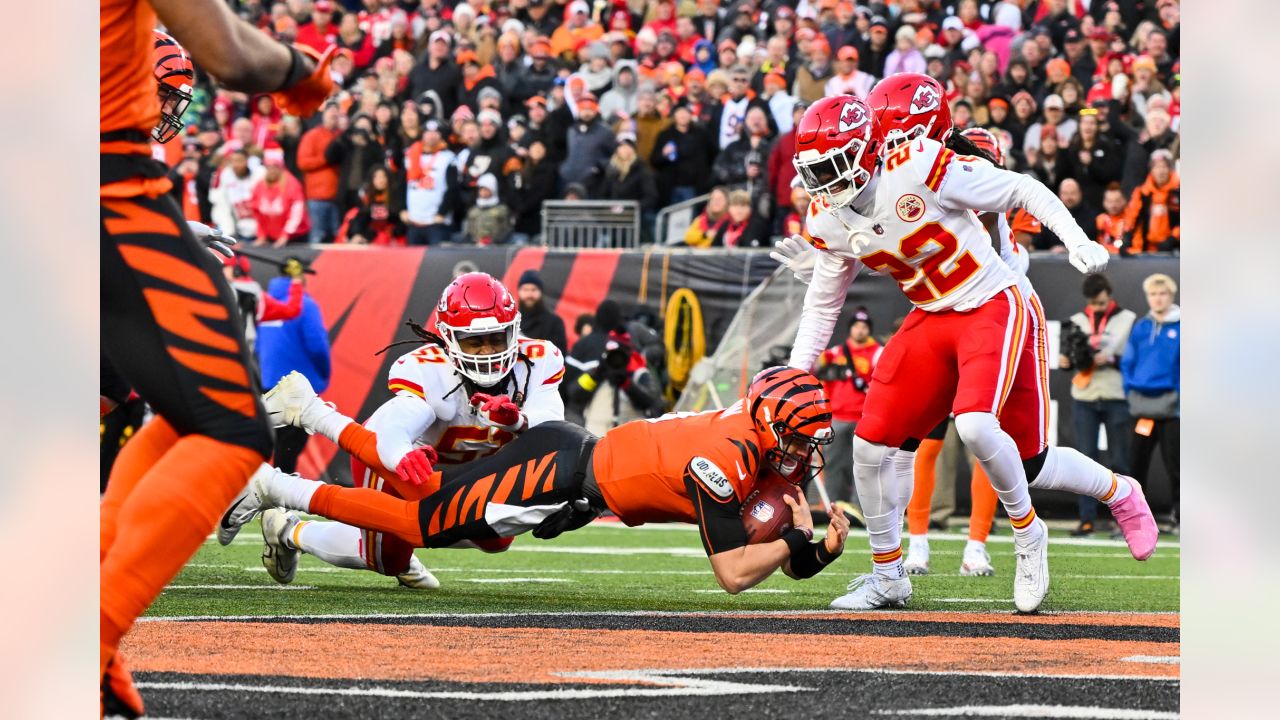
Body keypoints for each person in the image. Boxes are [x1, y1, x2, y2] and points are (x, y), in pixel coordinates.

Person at [778, 93, 1154, 613]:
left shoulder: (922, 166)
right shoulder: (829, 215)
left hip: (991, 301)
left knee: (987, 432)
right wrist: (795, 375)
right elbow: (824, 303)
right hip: (931, 314)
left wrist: (1075, 239)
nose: (824, 183)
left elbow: (1022, 190)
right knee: (869, 446)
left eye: (833, 166)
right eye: (815, 171)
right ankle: (888, 575)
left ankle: (1029, 535)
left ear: (870, 150)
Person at [100, 7, 333, 714]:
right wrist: (300, 74)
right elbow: (234, 57)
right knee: (233, 428)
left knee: (175, 409)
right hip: (102, 188)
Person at [223, 366, 850, 596]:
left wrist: (816, 551)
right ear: (768, 425)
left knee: (449, 523)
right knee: (418, 521)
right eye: (797, 439)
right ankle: (278, 481)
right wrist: (795, 543)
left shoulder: (752, 442)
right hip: (558, 474)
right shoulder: (725, 457)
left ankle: (293, 492)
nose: (802, 453)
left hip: (572, 479)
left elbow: (774, 557)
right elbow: (736, 574)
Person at [224, 273, 568, 588]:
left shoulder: (539, 359)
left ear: (514, 330)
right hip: (399, 463)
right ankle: (289, 529)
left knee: (496, 538)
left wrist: (519, 421)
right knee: (390, 556)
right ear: (448, 339)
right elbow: (397, 423)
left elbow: (551, 422)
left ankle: (388, 531)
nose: (488, 351)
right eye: (473, 341)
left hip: (451, 472)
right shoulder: (428, 370)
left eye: (496, 338)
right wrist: (401, 453)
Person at [1060, 273, 1136, 536]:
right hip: (1085, 396)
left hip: (1116, 396)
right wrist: (1066, 361)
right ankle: (1087, 519)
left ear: (1110, 295)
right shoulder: (1076, 321)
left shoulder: (1129, 319)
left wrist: (1113, 359)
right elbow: (1066, 357)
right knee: (1085, 461)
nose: (1098, 308)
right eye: (1093, 304)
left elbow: (1137, 358)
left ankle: (1123, 521)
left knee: (1120, 461)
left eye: (1102, 303)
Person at [1120, 274, 1181, 533]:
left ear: (1171, 296)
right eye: (1153, 294)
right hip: (1142, 408)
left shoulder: (1182, 327)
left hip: (1171, 409)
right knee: (1135, 467)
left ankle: (1179, 518)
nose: (1158, 298)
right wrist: (1130, 390)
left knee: (1177, 467)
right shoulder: (1141, 327)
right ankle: (1136, 521)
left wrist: (1178, 395)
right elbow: (1127, 362)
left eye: (1163, 294)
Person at [257, 269, 331, 474]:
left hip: (267, 384)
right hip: (297, 389)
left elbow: (256, 345)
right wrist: (323, 375)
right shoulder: (306, 306)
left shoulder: (264, 303)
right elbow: (317, 346)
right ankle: (279, 501)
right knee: (287, 452)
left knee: (271, 447)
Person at [813, 309, 881, 513]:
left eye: (864, 327)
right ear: (850, 328)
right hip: (838, 417)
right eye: (856, 326)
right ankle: (831, 505)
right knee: (833, 463)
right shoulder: (835, 352)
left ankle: (860, 508)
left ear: (868, 330)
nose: (860, 330)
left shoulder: (878, 352)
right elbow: (816, 367)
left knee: (861, 466)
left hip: (863, 418)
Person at [403, 119, 458, 246]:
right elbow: (402, 184)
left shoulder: (448, 157)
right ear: (422, 135)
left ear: (441, 136)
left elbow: (453, 188)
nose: (431, 136)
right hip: (414, 220)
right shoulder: (410, 155)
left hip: (436, 222)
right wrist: (402, 209)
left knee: (437, 262)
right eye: (428, 132)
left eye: (435, 133)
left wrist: (442, 213)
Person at [296, 102, 343, 243]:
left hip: (337, 197)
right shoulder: (312, 136)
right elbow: (303, 163)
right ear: (324, 115)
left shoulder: (342, 136)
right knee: (317, 236)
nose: (333, 117)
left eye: (336, 115)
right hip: (317, 197)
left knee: (338, 237)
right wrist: (325, 159)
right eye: (331, 114)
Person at [650, 103, 711, 206]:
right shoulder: (665, 135)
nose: (682, 116)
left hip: (693, 186)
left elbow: (709, 156)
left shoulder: (701, 135)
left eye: (685, 113)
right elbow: (654, 160)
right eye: (679, 113)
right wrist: (663, 154)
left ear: (690, 116)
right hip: (671, 186)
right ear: (674, 116)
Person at [250, 148, 311, 247]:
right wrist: (261, 235)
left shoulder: (292, 184)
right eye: (268, 166)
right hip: (272, 237)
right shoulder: (260, 185)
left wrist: (285, 235)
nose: (272, 170)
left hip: (295, 237)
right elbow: (256, 211)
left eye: (275, 166)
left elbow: (297, 212)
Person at [1124, 149, 1180, 253]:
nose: (1161, 171)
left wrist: (1173, 239)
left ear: (1170, 169)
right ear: (1151, 170)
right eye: (1157, 167)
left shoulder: (1179, 191)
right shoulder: (1142, 193)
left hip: (1175, 248)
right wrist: (1127, 238)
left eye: (1164, 167)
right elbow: (1132, 216)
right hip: (1147, 248)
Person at [346, 165, 405, 245]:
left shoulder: (395, 196)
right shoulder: (366, 197)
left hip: (392, 238)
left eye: (383, 176)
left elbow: (399, 219)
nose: (381, 180)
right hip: (369, 237)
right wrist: (356, 234)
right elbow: (360, 219)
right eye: (377, 177)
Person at [515, 269, 568, 355]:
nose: (529, 294)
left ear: (540, 292)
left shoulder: (554, 322)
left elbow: (559, 355)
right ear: (519, 291)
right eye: (525, 290)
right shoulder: (513, 321)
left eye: (533, 290)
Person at [464, 173, 512, 245]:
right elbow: (468, 231)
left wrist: (497, 241)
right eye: (481, 189)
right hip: (475, 248)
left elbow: (507, 230)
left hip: (496, 248)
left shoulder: (502, 210)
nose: (483, 192)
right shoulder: (473, 211)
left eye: (486, 189)